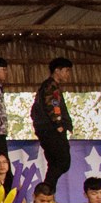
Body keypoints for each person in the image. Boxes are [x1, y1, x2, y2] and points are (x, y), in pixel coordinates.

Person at [32, 58, 74, 191]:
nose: (68, 74)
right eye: (66, 70)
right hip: (51, 130)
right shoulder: (51, 86)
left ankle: (48, 192)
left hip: (47, 129)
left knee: (56, 163)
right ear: (57, 71)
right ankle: (46, 190)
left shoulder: (49, 86)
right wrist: (58, 124)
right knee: (62, 162)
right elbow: (52, 105)